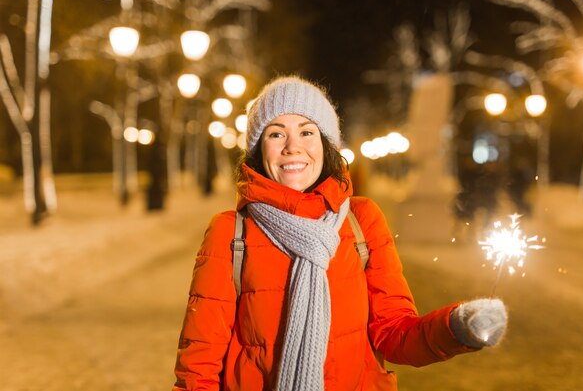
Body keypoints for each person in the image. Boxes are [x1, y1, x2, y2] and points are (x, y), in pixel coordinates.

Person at [172, 76, 508, 391]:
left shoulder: (362, 221)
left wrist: (456, 327)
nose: (292, 147)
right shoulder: (230, 232)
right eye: (276, 134)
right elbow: (199, 365)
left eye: (307, 132)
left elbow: (393, 334)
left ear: (326, 144)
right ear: (259, 150)